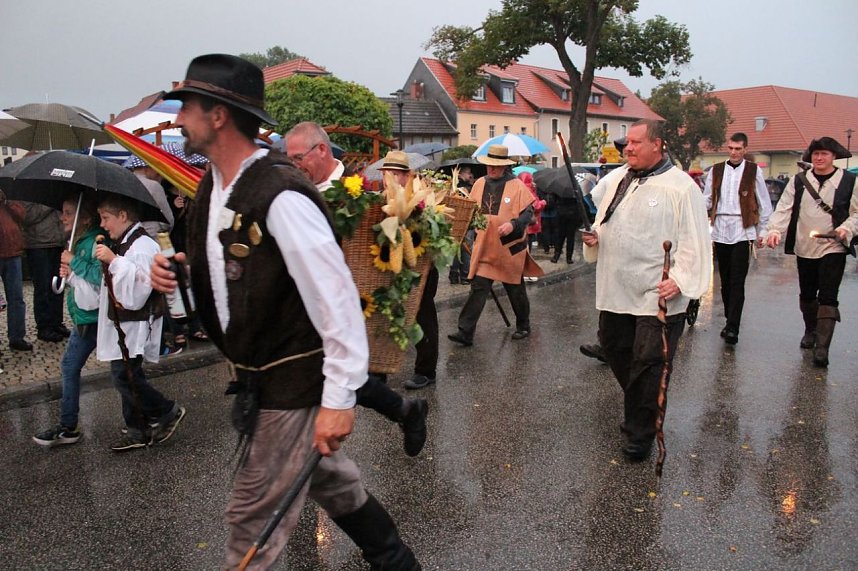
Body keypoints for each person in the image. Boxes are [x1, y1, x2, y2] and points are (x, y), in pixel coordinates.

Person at [153, 55, 419, 569]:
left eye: (187, 105)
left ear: (218, 116)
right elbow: (231, 262)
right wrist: (178, 269)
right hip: (263, 379)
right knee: (333, 483)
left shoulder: (281, 195)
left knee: (250, 524)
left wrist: (340, 399)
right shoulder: (214, 184)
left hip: (291, 381)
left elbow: (337, 298)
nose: (178, 117)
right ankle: (396, 561)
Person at [283, 123, 429, 452]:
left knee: (332, 371)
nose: (293, 165)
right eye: (289, 158)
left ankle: (403, 411)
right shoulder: (295, 190)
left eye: (298, 157)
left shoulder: (361, 194)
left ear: (321, 150)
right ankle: (404, 411)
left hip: (343, 299)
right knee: (321, 372)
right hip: (301, 299)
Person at [582, 119, 711, 460]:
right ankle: (645, 404)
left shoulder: (682, 188)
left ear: (658, 145)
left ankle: (639, 435)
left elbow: (697, 241)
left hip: (658, 292)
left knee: (649, 362)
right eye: (627, 144)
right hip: (617, 287)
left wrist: (680, 279)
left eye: (637, 143)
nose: (629, 148)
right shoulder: (617, 179)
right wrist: (596, 236)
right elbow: (605, 220)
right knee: (614, 348)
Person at [95, 194, 186, 452]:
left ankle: (166, 410)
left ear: (123, 216)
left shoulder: (143, 245)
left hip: (136, 322)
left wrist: (114, 261)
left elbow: (141, 288)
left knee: (125, 377)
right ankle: (137, 427)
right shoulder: (124, 242)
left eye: (106, 218)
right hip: (124, 323)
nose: (103, 224)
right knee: (128, 374)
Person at [765, 136, 858, 368]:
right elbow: (783, 209)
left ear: (833, 156)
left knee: (828, 296)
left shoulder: (849, 181)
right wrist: (774, 231)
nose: (819, 158)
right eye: (815, 154)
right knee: (807, 295)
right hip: (804, 246)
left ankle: (822, 349)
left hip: (833, 245)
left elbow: (857, 213)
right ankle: (811, 329)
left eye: (824, 154)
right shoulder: (799, 181)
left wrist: (847, 228)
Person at [448, 144, 542, 346]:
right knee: (478, 288)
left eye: (496, 166)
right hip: (485, 247)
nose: (492, 169)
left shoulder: (517, 186)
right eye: (489, 165)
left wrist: (513, 224)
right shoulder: (479, 183)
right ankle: (465, 331)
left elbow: (528, 213)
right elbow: (471, 211)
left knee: (515, 289)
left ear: (505, 166)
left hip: (509, 247)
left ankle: (524, 325)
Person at [33, 195, 104, 447]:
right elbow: (82, 281)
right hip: (85, 317)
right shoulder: (77, 241)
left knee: (73, 367)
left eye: (68, 213)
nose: (62, 217)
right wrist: (71, 274)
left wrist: (74, 261)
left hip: (93, 319)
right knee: (122, 374)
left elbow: (100, 276)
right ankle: (68, 426)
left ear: (84, 219)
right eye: (62, 212)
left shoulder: (93, 241)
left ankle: (67, 426)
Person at [375, 150, 440, 390]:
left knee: (422, 314)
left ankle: (426, 370)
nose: (389, 178)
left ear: (405, 175)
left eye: (394, 173)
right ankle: (379, 368)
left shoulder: (420, 200)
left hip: (421, 266)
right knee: (385, 314)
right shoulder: (379, 201)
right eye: (386, 173)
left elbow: (432, 233)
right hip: (390, 266)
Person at [703, 132, 773, 345]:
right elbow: (706, 199)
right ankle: (729, 320)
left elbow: (764, 203)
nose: (734, 152)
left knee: (737, 280)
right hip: (720, 228)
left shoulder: (753, 171)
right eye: (731, 148)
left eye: (738, 148)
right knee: (724, 280)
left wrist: (763, 231)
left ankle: (733, 326)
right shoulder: (716, 170)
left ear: (745, 150)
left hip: (743, 230)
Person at [22, 202, 68, 342]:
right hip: (38, 244)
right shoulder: (30, 193)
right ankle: (44, 326)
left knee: (58, 285)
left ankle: (56, 322)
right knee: (43, 287)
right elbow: (28, 216)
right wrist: (49, 203)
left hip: (57, 242)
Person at [0, 190, 32, 352]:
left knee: (17, 299)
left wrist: (7, 201)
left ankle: (17, 337)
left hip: (12, 253)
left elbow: (22, 215)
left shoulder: (9, 196)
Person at [449, 166, 475, 284]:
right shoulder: (464, 187)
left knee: (455, 250)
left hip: (454, 223)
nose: (470, 175)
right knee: (466, 250)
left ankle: (454, 275)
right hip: (466, 223)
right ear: (461, 174)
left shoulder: (452, 186)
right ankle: (465, 276)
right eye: (469, 173)